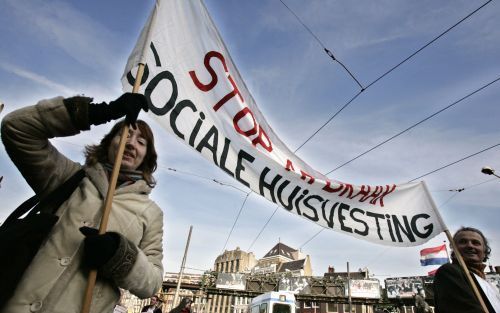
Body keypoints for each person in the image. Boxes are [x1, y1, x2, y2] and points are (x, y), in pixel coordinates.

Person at [1, 93, 164, 313]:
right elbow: (16, 128)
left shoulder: (151, 213)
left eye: (141, 141)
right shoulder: (68, 177)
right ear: (109, 143)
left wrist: (119, 255)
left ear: (147, 156)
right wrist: (100, 112)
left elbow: (152, 282)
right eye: (125, 134)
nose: (130, 144)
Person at [433, 226, 500, 313]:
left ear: (484, 251)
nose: (469, 245)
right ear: (454, 249)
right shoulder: (449, 271)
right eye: (463, 242)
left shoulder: (489, 284)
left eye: (476, 243)